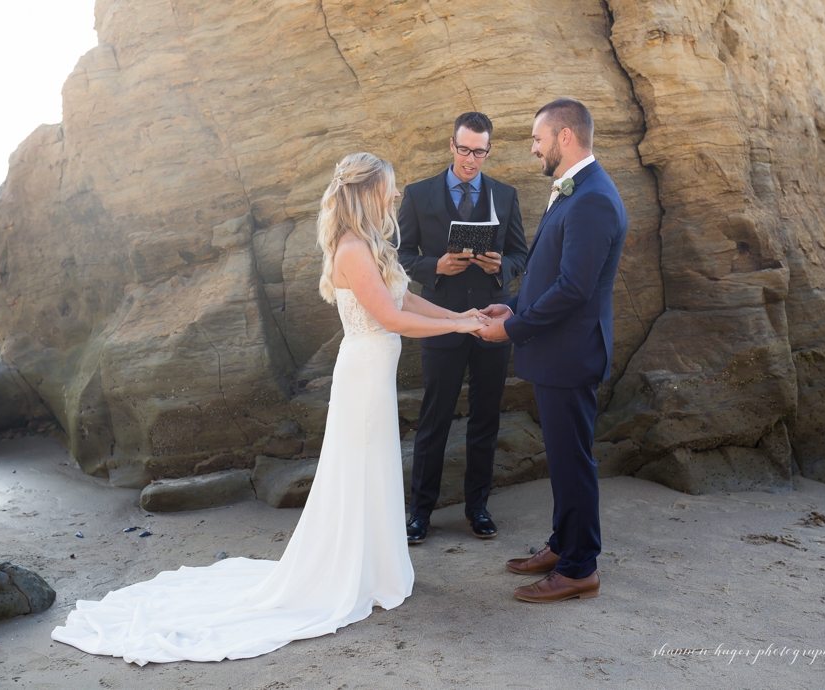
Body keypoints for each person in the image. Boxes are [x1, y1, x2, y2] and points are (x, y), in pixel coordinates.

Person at [51, 153, 487, 664]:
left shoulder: (372, 245)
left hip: (375, 370)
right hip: (364, 370)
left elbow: (408, 300)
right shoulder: (351, 248)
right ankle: (353, 571)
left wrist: (462, 315)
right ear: (368, 192)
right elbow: (390, 316)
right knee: (360, 466)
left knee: (374, 466)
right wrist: (460, 329)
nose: (395, 196)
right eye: (389, 188)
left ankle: (375, 567)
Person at [475, 98, 626, 603]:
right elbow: (548, 274)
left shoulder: (594, 199)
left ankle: (581, 567)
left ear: (565, 138)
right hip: (559, 350)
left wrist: (513, 329)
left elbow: (573, 290)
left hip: (571, 353)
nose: (533, 148)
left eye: (537, 138)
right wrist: (510, 305)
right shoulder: (574, 192)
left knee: (573, 462)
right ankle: (563, 546)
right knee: (563, 461)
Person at [397, 111, 530, 545]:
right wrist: (433, 266)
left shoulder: (505, 196)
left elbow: (520, 255)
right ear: (451, 146)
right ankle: (419, 513)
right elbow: (398, 257)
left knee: (486, 419)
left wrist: (501, 266)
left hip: (491, 321)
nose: (472, 159)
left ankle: (478, 508)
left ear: (489, 150)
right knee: (434, 418)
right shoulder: (418, 195)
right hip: (440, 321)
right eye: (465, 149)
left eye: (481, 151)